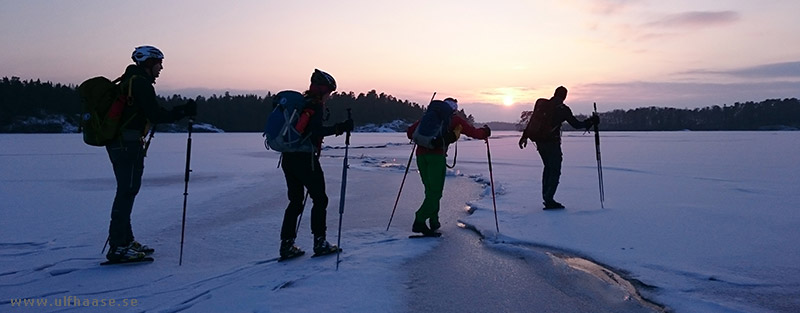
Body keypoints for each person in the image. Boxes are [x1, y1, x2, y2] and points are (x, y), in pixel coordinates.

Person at [105, 45, 196, 261]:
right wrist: (181, 112)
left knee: (127, 190)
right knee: (126, 192)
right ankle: (118, 246)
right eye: (159, 63)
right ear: (148, 63)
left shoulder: (129, 80)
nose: (161, 67)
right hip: (127, 144)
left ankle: (125, 241)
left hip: (122, 143)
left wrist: (178, 111)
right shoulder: (140, 83)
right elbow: (155, 114)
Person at [279, 69, 354, 259]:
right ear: (323, 90)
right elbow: (317, 130)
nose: (329, 96)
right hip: (306, 159)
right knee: (320, 199)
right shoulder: (315, 105)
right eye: (329, 92)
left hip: (288, 157)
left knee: (295, 201)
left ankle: (286, 245)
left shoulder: (302, 103)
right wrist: (341, 127)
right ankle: (320, 242)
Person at [406, 98, 491, 235]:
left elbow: (410, 132)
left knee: (430, 191)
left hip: (421, 157)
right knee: (435, 192)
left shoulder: (428, 116)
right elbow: (473, 132)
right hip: (436, 158)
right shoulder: (454, 120)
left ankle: (434, 222)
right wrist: (485, 132)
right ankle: (420, 220)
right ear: (453, 109)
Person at [518, 86, 599, 210]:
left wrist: (524, 136)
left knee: (548, 167)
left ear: (554, 93)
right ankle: (549, 199)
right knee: (555, 169)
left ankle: (546, 196)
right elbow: (576, 125)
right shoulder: (563, 110)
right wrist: (591, 121)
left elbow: (532, 121)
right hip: (551, 143)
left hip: (539, 142)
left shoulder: (541, 103)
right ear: (564, 96)